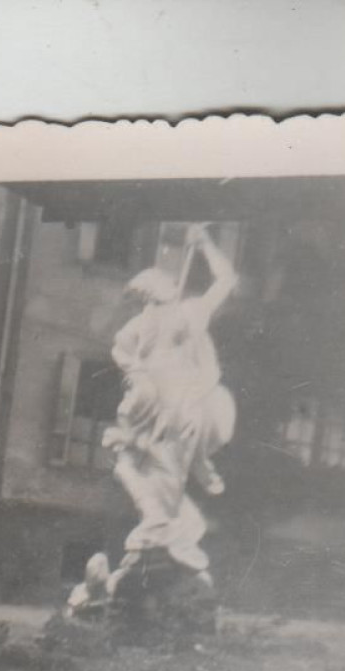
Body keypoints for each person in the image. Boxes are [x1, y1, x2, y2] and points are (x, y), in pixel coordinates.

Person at [101, 223, 239, 585]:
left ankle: (161, 533)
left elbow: (127, 361)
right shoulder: (173, 317)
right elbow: (225, 279)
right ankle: (161, 530)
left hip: (166, 404)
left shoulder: (155, 323)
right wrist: (207, 244)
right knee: (150, 471)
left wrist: (205, 242)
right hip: (166, 404)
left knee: (146, 468)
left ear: (146, 295)